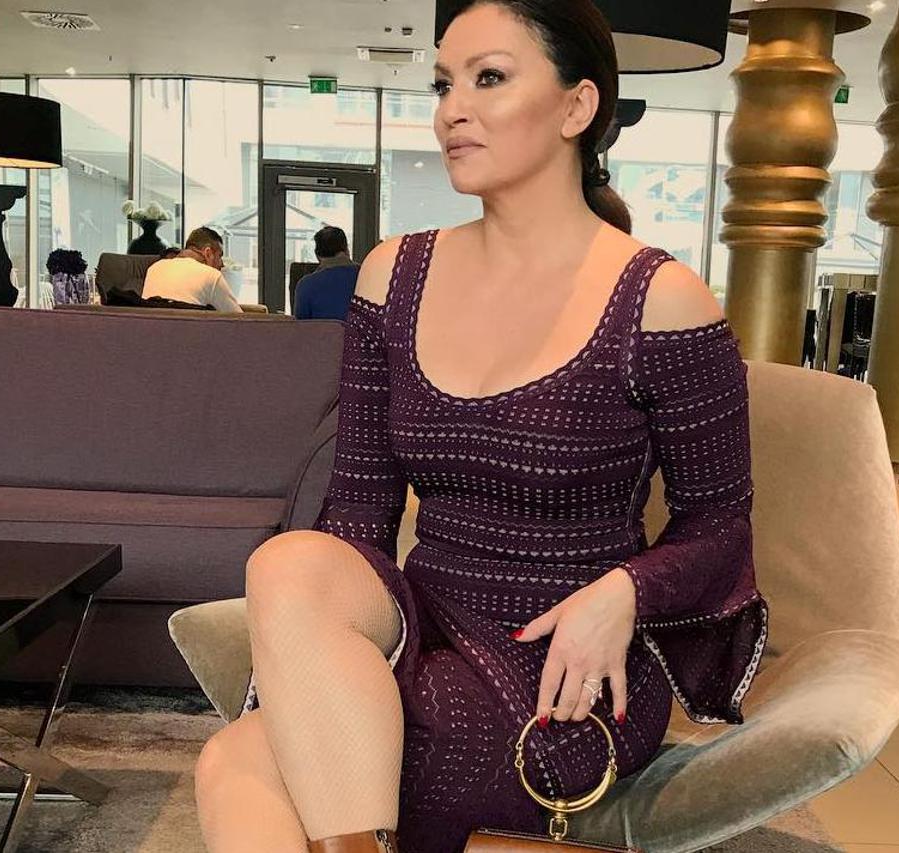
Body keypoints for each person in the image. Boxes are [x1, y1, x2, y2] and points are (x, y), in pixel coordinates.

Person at [194, 2, 768, 852]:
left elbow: (719, 528)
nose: (451, 110)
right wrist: (320, 652)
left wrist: (625, 592)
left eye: (489, 77)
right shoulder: (394, 276)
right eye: (443, 84)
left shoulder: (661, 300)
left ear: (576, 106)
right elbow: (358, 511)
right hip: (423, 618)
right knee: (286, 562)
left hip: (566, 662)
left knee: (241, 761)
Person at [141, 226, 242, 313]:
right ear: (208, 253)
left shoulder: (154, 268)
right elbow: (239, 320)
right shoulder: (211, 275)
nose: (222, 264)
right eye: (219, 256)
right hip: (191, 330)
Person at [294, 226, 360, 320]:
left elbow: (301, 325)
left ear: (317, 254)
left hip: (319, 330)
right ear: (346, 250)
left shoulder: (306, 285)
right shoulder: (366, 276)